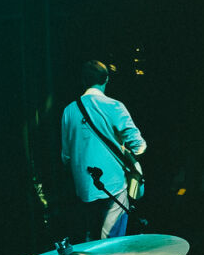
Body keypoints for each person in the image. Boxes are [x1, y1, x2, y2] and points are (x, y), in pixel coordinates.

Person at [61, 60, 146, 241]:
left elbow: (66, 156)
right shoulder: (115, 106)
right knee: (112, 241)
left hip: (83, 188)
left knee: (89, 241)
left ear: (83, 80)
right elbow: (139, 146)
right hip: (114, 185)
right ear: (106, 79)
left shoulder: (69, 111)